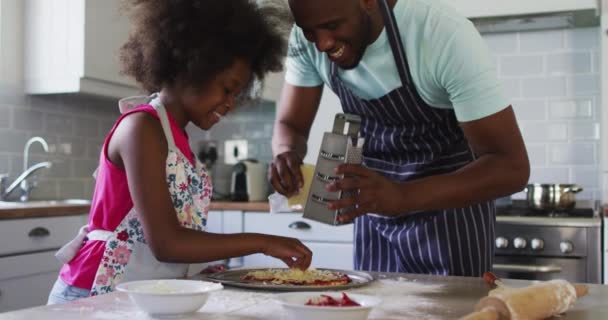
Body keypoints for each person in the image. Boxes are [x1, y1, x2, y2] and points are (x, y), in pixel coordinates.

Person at [47, 0, 311, 304]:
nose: (231, 103)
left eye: (237, 94)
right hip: (91, 292)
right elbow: (167, 243)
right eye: (227, 89)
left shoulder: (175, 139)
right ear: (191, 67)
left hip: (139, 291)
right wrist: (263, 243)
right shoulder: (142, 128)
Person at [270, 0, 529, 276]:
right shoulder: (308, 37)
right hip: (375, 216)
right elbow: (291, 125)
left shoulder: (441, 34)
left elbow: (510, 167)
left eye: (333, 26)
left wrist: (403, 196)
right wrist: (286, 153)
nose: (322, 44)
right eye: (310, 32)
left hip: (450, 216)